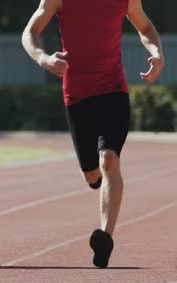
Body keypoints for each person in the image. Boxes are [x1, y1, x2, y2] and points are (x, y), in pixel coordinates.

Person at [22, 0, 165, 268]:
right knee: (92, 173)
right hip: (76, 97)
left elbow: (145, 27)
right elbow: (29, 32)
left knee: (109, 159)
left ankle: (105, 238)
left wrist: (157, 53)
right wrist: (44, 58)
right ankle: (95, 178)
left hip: (113, 91)